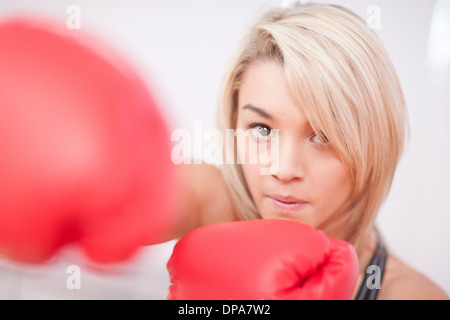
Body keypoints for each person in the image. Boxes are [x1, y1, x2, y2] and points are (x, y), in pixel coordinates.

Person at [167, 3, 448, 300]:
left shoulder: (410, 294)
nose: (284, 169)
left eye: (324, 136)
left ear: (372, 145)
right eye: (262, 129)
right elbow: (148, 190)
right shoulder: (216, 207)